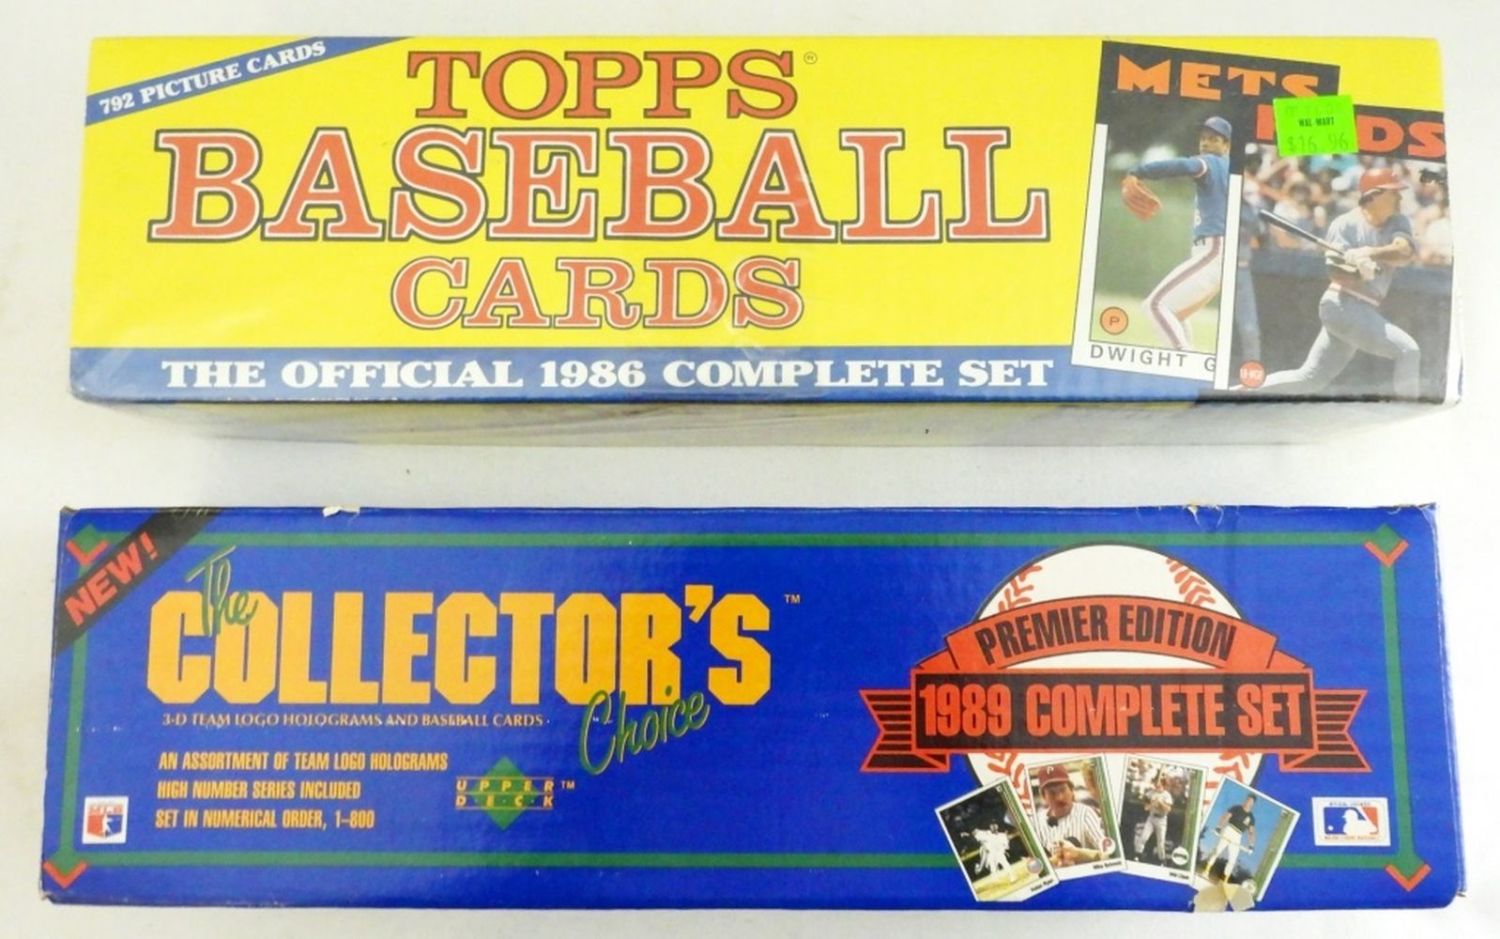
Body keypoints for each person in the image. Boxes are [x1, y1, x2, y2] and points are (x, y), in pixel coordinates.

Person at [1257, 167, 1421, 397]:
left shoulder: (1398, 221)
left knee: (1310, 379)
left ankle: (1240, 390)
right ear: (1374, 195)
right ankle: (1409, 413)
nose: (1400, 197)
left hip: (1362, 308)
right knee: (1408, 351)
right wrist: (1358, 271)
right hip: (1342, 304)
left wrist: (1369, 253)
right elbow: (1335, 273)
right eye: (1393, 192)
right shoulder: (1345, 224)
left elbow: (1404, 252)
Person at [1123, 116, 1232, 350]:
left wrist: (1138, 171)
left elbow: (1184, 166)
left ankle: (1182, 364)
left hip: (1213, 251)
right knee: (1174, 314)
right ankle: (1188, 361)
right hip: (1216, 253)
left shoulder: (1211, 163)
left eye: (1214, 139)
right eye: (1203, 138)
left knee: (1154, 306)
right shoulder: (1229, 172)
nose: (1205, 143)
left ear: (1227, 146)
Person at [1032, 764, 1110, 867]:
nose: (1059, 798)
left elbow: (1108, 852)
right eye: (1052, 793)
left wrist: (1079, 853)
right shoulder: (1036, 822)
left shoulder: (1085, 813)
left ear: (1072, 790)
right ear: (1043, 796)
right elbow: (1032, 866)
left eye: (1062, 790)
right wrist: (1051, 861)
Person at [1203, 793, 1258, 882]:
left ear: (1253, 804)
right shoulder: (1236, 808)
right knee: (1217, 851)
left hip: (1238, 836)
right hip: (1228, 830)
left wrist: (1251, 845)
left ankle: (1224, 880)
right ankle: (1206, 871)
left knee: (1232, 859)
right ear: (1245, 800)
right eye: (1247, 800)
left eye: (1250, 802)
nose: (1248, 802)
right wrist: (1219, 827)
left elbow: (1251, 832)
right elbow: (1226, 817)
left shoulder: (1251, 818)